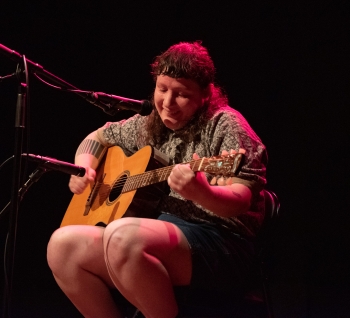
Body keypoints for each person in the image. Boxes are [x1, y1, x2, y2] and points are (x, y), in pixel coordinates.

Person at [47, 41, 268, 318]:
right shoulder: (150, 124)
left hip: (221, 244)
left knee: (123, 236)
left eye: (181, 94)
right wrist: (85, 169)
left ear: (205, 94)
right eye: (162, 89)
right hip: (158, 235)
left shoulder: (226, 125)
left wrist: (201, 192)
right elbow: (97, 137)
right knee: (62, 246)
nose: (167, 103)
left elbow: (240, 201)